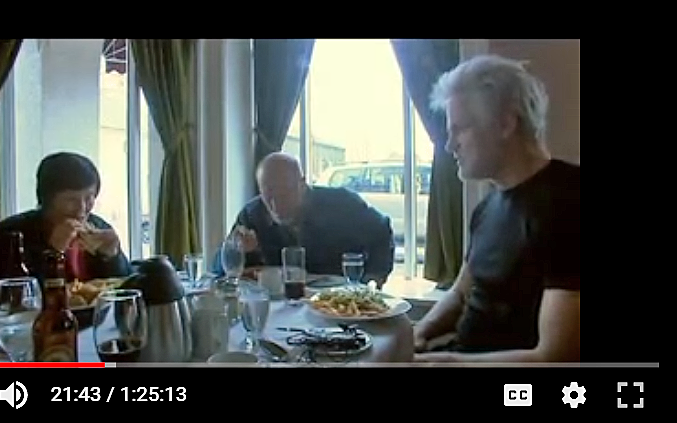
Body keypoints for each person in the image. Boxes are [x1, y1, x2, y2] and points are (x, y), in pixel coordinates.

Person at [411, 55, 580, 363]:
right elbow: (461, 293)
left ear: (505, 124)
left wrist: (442, 364)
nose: (450, 146)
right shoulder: (487, 208)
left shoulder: (571, 202)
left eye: (460, 129)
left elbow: (556, 357)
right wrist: (418, 333)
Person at [211, 152, 395, 288]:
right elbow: (217, 270)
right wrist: (234, 250)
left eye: (284, 194)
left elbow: (382, 230)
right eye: (269, 195)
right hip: (281, 305)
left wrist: (374, 278)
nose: (276, 206)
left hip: (337, 302)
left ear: (302, 184)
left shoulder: (342, 203)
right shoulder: (252, 213)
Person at [0, 152, 133, 285]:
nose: (82, 209)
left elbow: (125, 287)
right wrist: (52, 251)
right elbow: (11, 296)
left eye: (89, 198)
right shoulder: (10, 234)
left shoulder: (98, 226)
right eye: (71, 200)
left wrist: (112, 256)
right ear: (47, 199)